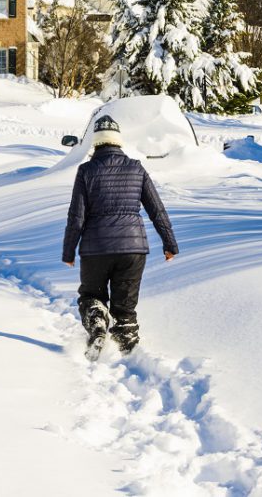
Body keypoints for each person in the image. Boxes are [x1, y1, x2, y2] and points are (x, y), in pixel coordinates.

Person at [62, 115, 179, 359]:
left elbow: (76, 215)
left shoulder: (86, 170)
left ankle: (97, 323)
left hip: (96, 249)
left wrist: (69, 251)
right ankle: (127, 353)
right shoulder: (136, 168)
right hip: (133, 249)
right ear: (118, 141)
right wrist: (170, 244)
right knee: (125, 307)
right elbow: (156, 209)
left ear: (96, 142)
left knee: (92, 296)